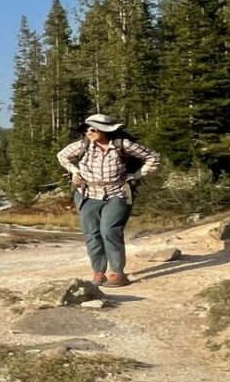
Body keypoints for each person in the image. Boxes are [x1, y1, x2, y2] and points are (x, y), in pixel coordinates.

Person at [57, 114, 161, 286]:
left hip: (117, 193)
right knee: (92, 234)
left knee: (110, 231)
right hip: (87, 194)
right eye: (86, 129)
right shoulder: (82, 146)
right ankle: (98, 272)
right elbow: (62, 156)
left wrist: (137, 175)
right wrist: (74, 171)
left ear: (105, 130)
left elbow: (153, 158)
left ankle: (117, 273)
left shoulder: (122, 145)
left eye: (93, 129)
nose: (88, 132)